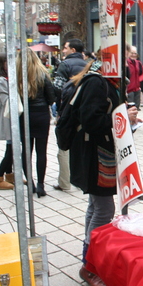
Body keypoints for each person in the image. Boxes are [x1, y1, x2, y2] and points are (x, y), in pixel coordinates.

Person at [68, 59, 139, 286]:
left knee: (95, 207)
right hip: (95, 157)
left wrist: (128, 117)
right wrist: (121, 118)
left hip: (101, 154)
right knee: (104, 209)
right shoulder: (98, 83)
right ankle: (90, 265)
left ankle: (87, 258)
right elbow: (90, 120)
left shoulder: (109, 82)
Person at [17, 48, 56, 198]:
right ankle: (41, 185)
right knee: (41, 151)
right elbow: (51, 97)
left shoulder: (17, 75)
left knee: (26, 151)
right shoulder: (42, 74)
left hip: (24, 116)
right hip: (41, 114)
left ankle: (30, 183)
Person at [52, 38, 87, 192]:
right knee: (82, 146)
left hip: (67, 112)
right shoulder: (89, 64)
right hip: (85, 111)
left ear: (73, 50)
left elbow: (57, 88)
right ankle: (82, 179)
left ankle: (65, 183)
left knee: (64, 147)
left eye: (65, 48)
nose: (63, 50)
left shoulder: (64, 64)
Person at [0, 53, 15, 190]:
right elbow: (6, 101)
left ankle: (9, 175)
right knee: (11, 148)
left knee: (11, 147)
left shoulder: (5, 78)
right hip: (7, 116)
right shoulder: (0, 80)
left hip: (9, 115)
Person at [126, 45, 143, 110]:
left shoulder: (138, 63)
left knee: (136, 109)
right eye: (132, 53)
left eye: (135, 53)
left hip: (137, 89)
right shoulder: (126, 63)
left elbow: (140, 73)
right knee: (130, 109)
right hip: (129, 89)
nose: (133, 55)